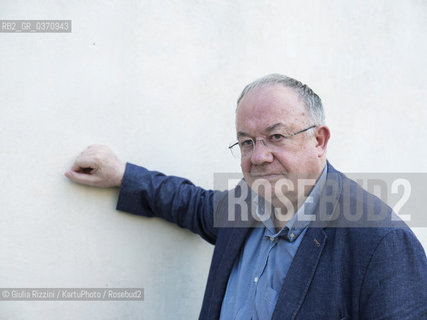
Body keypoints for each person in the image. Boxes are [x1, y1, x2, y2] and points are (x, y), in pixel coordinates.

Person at [65, 74, 427, 319]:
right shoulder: (245, 203)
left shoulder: (381, 241)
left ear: (319, 141)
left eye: (276, 137)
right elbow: (192, 204)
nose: (258, 156)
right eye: (247, 142)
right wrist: (122, 174)